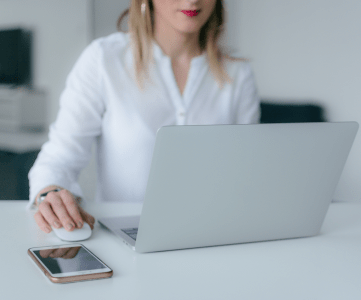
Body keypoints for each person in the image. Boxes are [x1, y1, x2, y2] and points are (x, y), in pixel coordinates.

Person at [28, 0, 260, 234]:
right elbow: (59, 159)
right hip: (125, 236)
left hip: (212, 234)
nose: (192, 0)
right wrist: (50, 193)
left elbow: (248, 173)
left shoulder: (238, 74)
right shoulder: (104, 60)